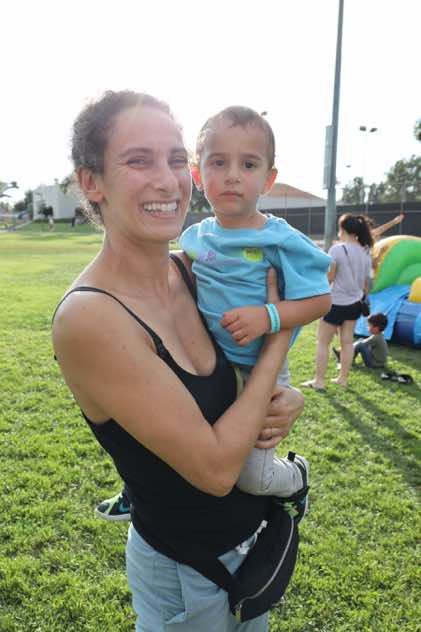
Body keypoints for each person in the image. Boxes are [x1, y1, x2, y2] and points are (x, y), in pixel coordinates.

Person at [52, 90, 305, 631]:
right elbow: (215, 469)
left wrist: (289, 397)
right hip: (185, 578)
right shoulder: (91, 317)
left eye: (174, 159)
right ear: (92, 182)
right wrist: (280, 335)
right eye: (138, 160)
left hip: (251, 552)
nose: (168, 181)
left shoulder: (193, 272)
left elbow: (244, 383)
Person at [178, 106, 331, 503]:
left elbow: (320, 299)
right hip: (211, 366)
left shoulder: (281, 240)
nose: (232, 175)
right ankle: (139, 489)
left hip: (263, 369)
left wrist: (269, 316)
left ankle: (297, 477)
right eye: (218, 162)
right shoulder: (195, 238)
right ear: (198, 176)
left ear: (268, 179)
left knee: (255, 479)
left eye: (248, 164)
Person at [302, 213, 373, 390]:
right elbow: (366, 283)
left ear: (344, 230)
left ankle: (319, 381)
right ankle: (343, 379)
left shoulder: (337, 250)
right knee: (347, 342)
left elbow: (329, 278)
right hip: (355, 303)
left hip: (335, 303)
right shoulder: (365, 251)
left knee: (322, 342)